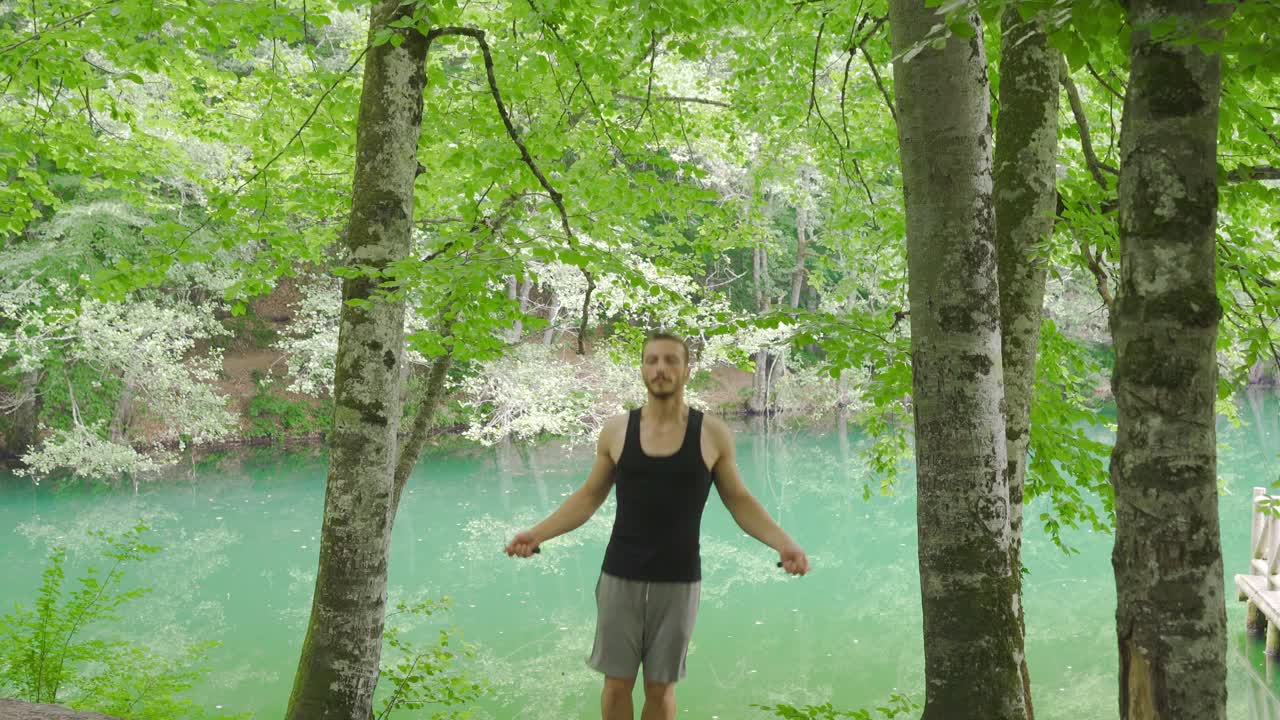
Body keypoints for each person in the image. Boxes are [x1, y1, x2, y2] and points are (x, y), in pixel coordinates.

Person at [505, 332, 810, 720]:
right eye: (652, 361)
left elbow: (739, 501)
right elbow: (588, 498)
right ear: (642, 369)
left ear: (686, 370)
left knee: (660, 687)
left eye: (670, 361)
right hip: (620, 575)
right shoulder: (617, 431)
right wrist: (537, 534)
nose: (660, 369)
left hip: (679, 580)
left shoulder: (711, 433)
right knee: (616, 684)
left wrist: (783, 543)